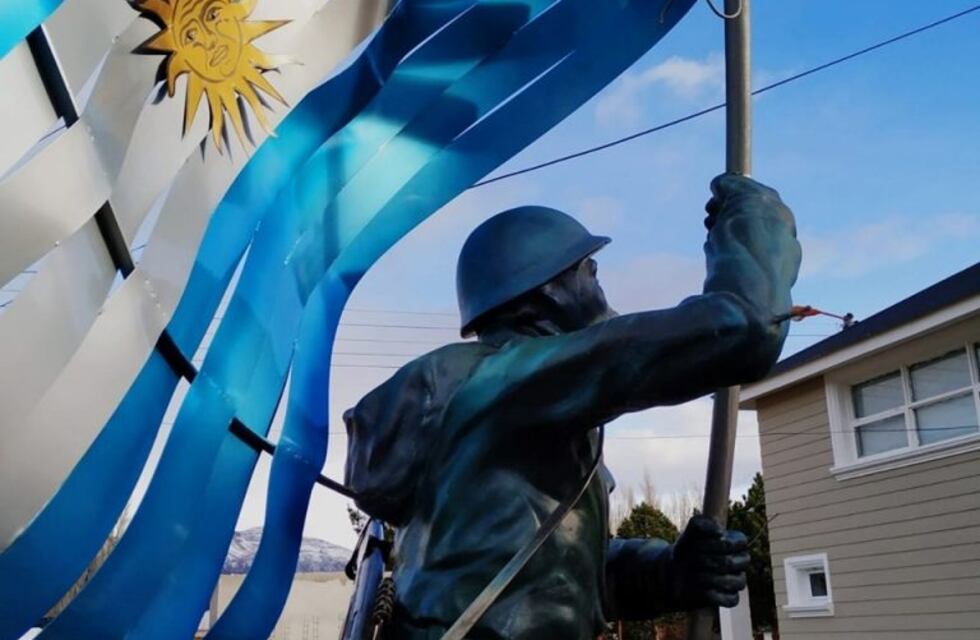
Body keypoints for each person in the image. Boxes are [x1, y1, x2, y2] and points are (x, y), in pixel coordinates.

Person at [344, 174, 802, 639]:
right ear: (549, 290)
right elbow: (745, 328)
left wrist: (669, 572)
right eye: (591, 272)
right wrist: (755, 216)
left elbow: (547, 577)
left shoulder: (515, 409)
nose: (602, 293)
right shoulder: (499, 384)